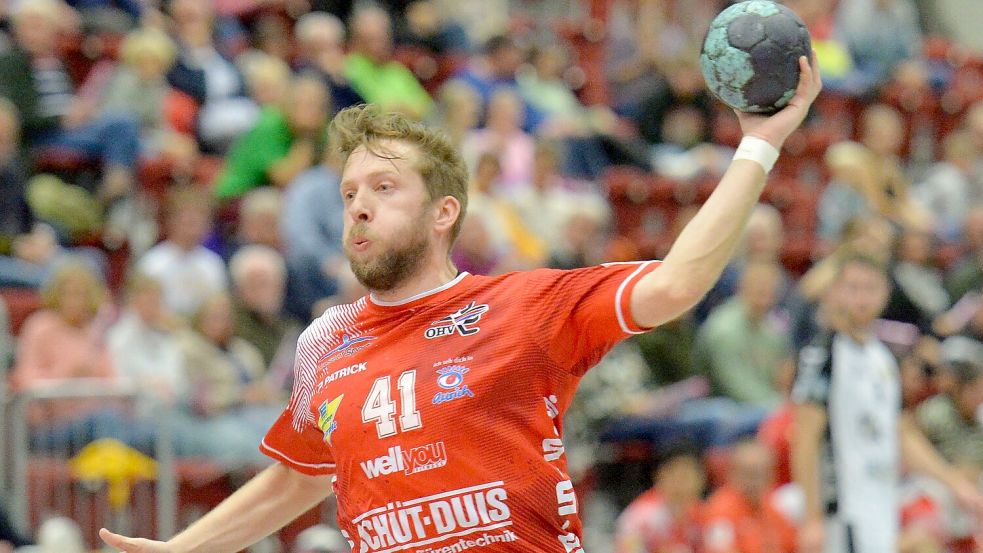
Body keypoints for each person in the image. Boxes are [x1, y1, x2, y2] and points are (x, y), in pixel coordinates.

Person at [100, 53, 823, 553]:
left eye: (383, 191)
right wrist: (184, 545)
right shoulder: (324, 340)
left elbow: (675, 284)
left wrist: (757, 146)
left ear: (444, 212)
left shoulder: (524, 303)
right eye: (349, 193)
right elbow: (298, 474)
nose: (357, 208)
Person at [790, 253, 983, 553]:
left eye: (870, 288)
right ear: (835, 291)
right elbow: (804, 438)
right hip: (843, 510)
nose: (861, 298)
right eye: (852, 288)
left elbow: (901, 434)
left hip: (880, 503)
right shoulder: (822, 355)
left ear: (885, 295)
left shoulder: (883, 359)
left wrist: (952, 483)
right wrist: (812, 518)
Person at [614, 442, 706, 553]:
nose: (682, 484)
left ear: (701, 479)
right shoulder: (639, 518)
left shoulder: (705, 513)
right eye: (677, 475)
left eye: (687, 476)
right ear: (660, 476)